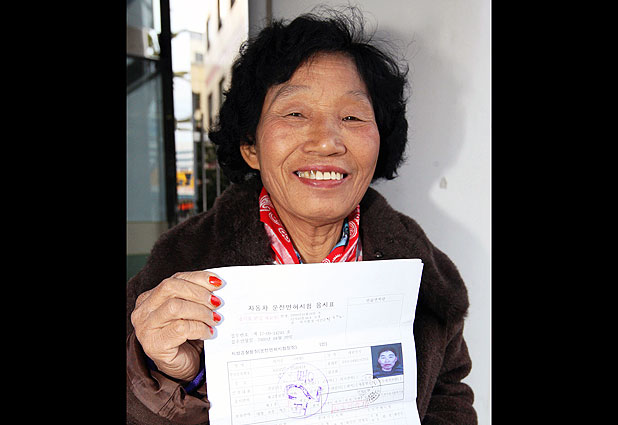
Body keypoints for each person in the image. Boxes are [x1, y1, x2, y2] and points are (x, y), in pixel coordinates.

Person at [126, 8, 477, 425]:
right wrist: (171, 375)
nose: (327, 142)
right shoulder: (176, 270)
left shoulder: (425, 276)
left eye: (352, 117)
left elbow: (449, 397)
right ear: (250, 145)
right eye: (295, 114)